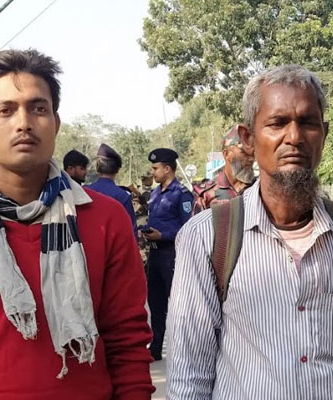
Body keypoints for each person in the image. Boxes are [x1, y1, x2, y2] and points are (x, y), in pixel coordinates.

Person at [0, 49, 154, 399]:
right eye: (5, 110)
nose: (24, 123)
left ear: (55, 122)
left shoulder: (105, 221)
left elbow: (128, 344)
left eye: (38, 108)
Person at [166, 64, 333, 399]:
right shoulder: (207, 237)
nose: (294, 137)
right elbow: (189, 371)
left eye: (308, 123)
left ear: (324, 133)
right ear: (248, 138)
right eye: (277, 123)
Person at [142, 148, 193, 361]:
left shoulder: (181, 194)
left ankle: (186, 349)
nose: (152, 172)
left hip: (172, 256)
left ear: (167, 168)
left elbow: (188, 228)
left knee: (179, 305)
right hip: (155, 256)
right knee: (156, 304)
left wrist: (163, 235)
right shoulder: (155, 194)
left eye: (155, 168)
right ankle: (155, 348)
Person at [193, 125, 256, 213]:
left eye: (253, 153)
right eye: (244, 153)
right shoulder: (207, 195)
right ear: (226, 154)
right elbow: (197, 221)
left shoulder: (259, 188)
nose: (251, 159)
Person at [87, 143, 138, 238]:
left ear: (97, 167)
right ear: (117, 170)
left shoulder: (84, 193)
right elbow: (131, 231)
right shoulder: (123, 196)